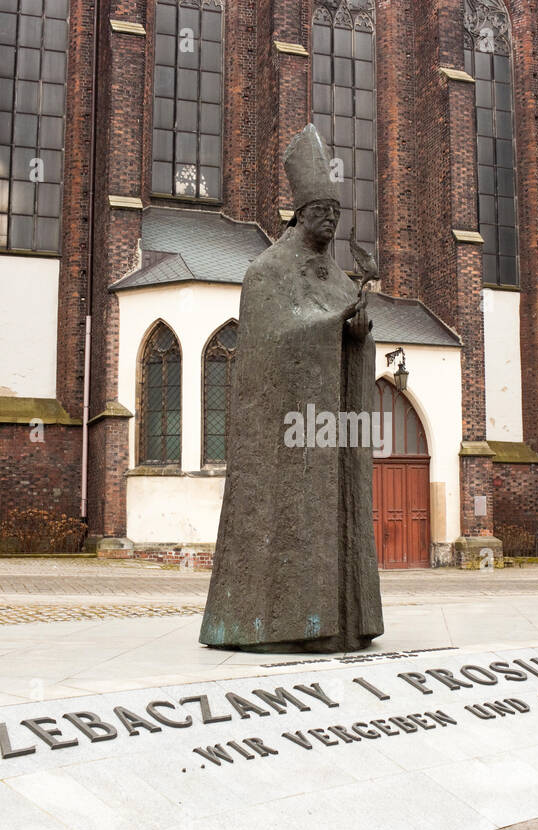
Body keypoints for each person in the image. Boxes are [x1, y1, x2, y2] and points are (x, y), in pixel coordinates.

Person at [199, 125, 385, 653]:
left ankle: (341, 622)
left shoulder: (341, 278)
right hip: (280, 441)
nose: (329, 221)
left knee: (334, 519)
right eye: (321, 212)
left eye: (336, 213)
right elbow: (269, 342)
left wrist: (355, 330)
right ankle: (279, 624)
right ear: (300, 215)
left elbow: (355, 338)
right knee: (288, 524)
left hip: (328, 434)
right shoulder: (264, 272)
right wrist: (329, 325)